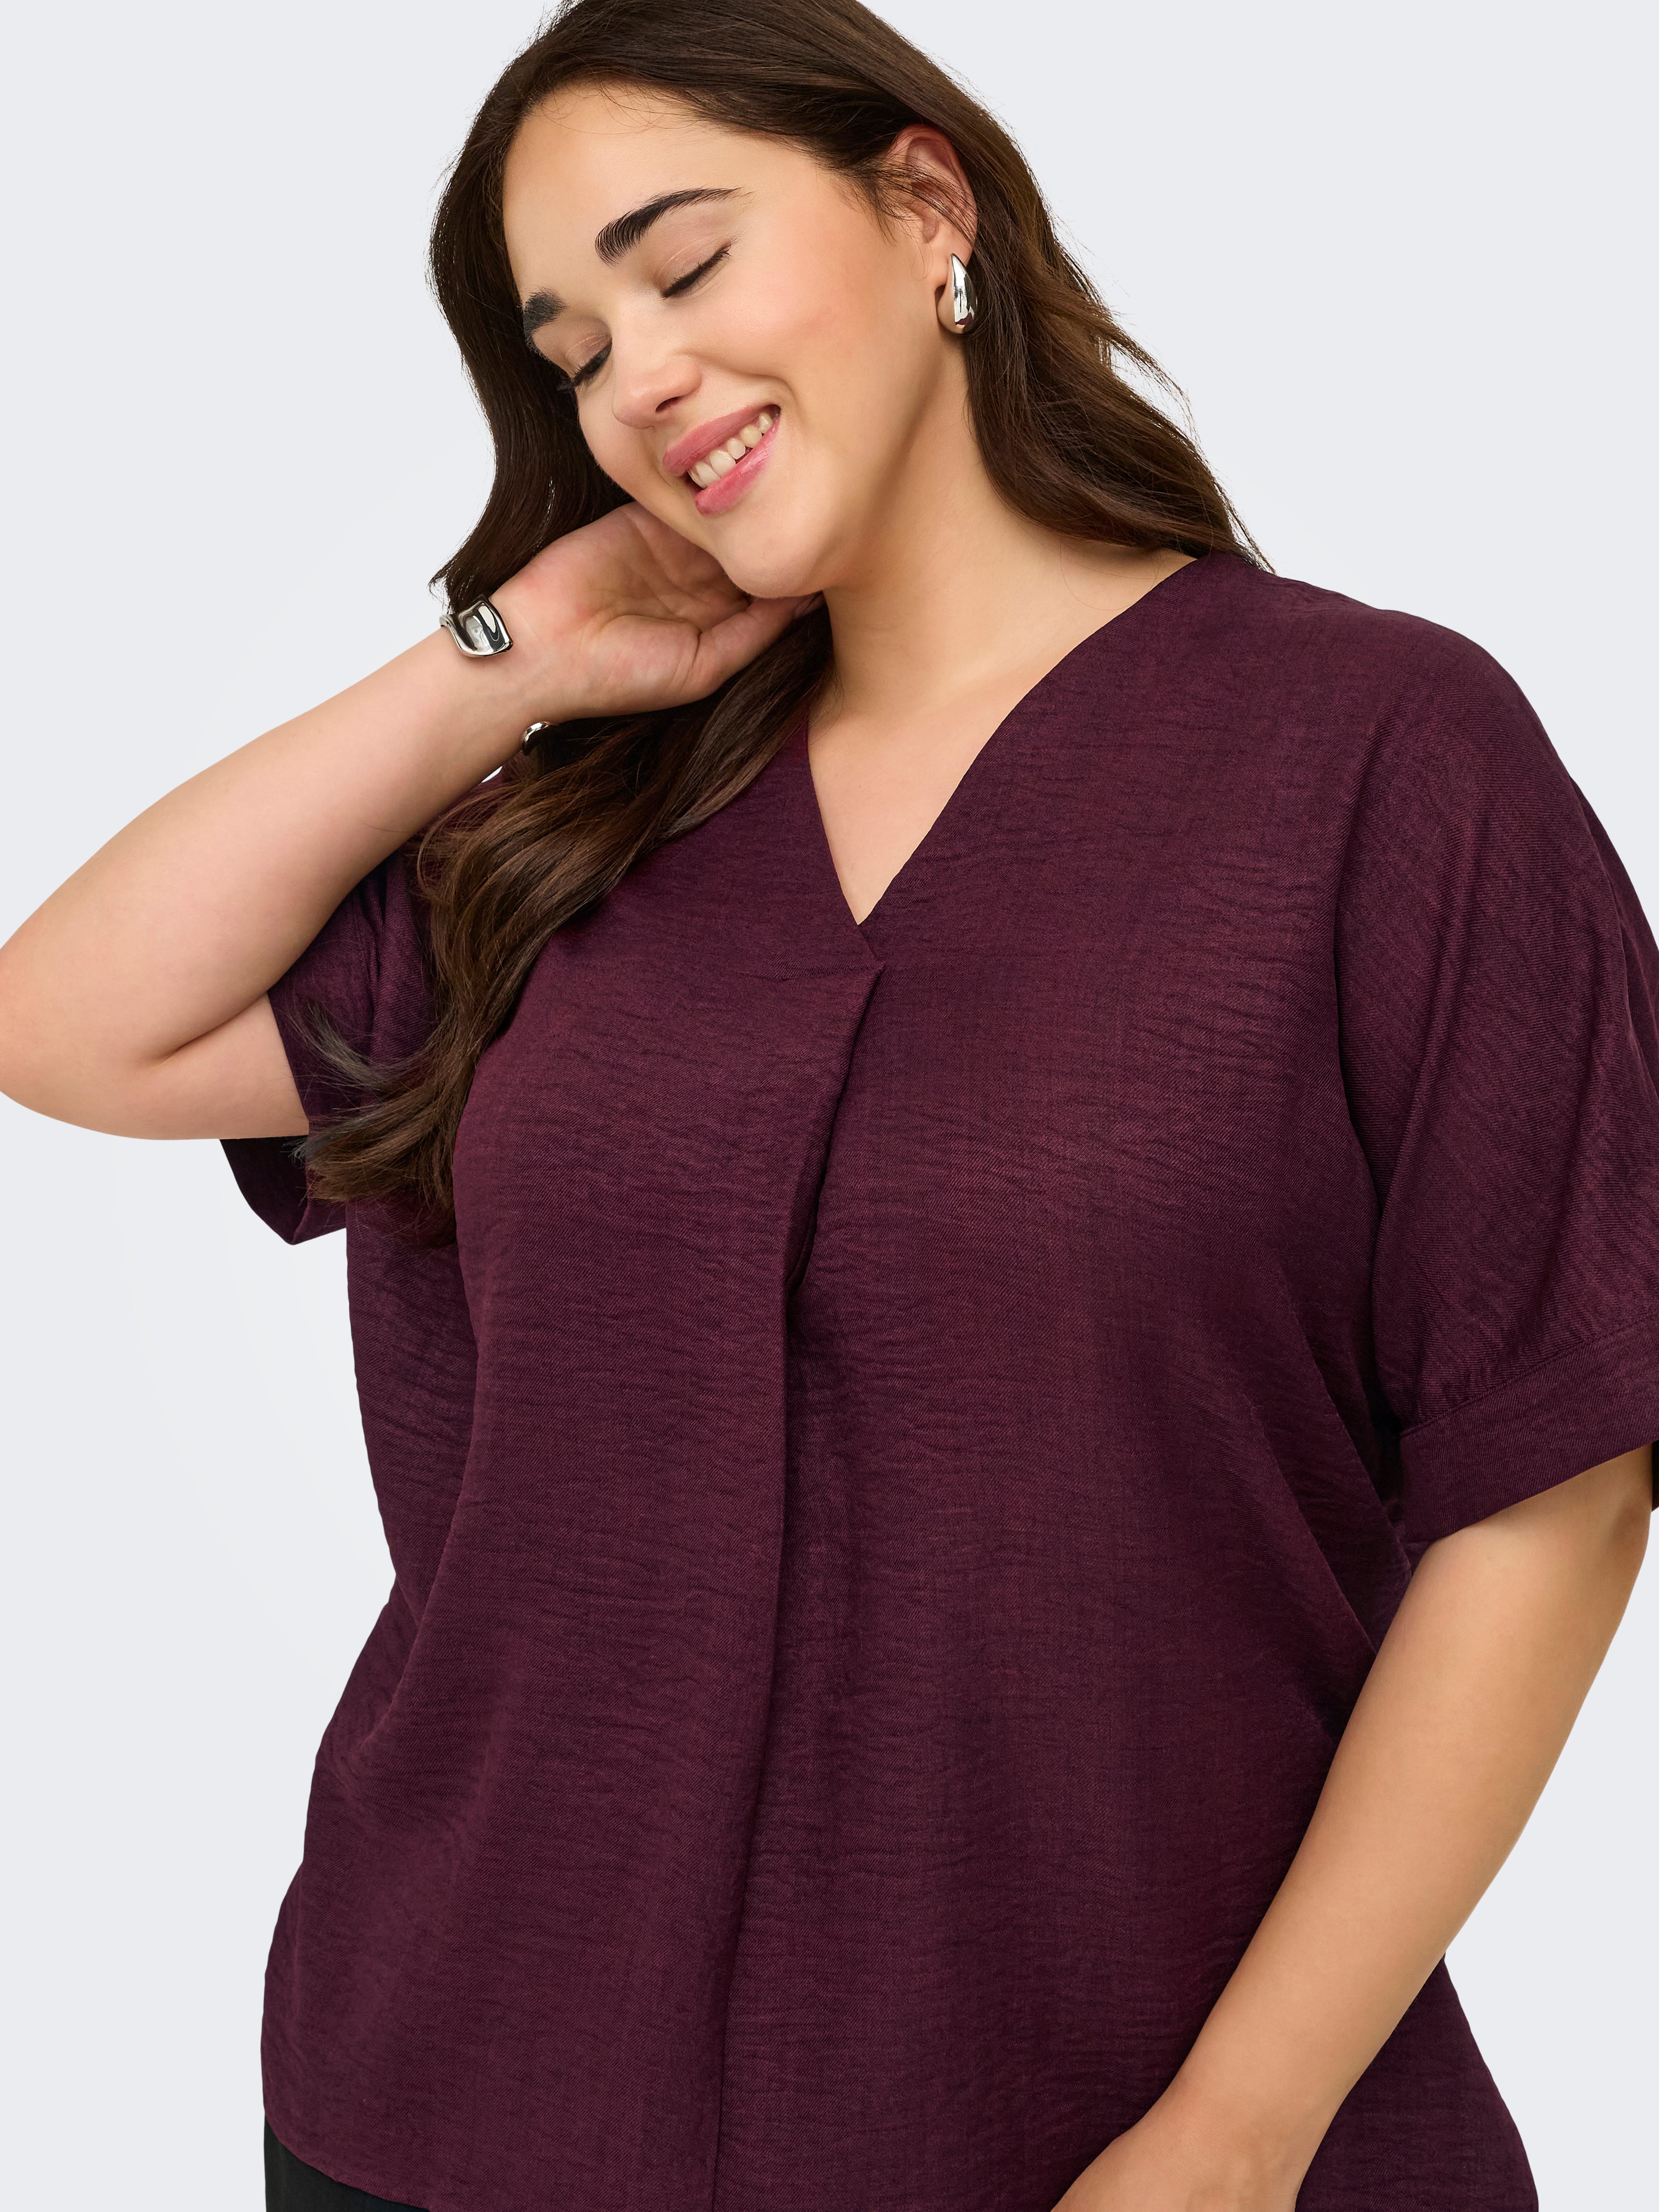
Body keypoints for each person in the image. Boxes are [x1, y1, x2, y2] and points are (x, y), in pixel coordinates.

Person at [1, 0, 1654, 2205]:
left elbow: (1553, 1472)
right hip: (462, 2102)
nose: (637, 377)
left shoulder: (1374, 760)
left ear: (923, 202)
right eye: (572, 352)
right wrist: (515, 658)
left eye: (683, 265)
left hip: (1105, 2131)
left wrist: (1235, 2132)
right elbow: (69, 1023)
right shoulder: (574, 835)